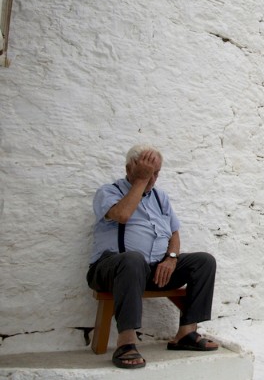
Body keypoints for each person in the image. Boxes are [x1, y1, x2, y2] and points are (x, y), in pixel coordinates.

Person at [87, 144, 219, 369]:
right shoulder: (108, 192)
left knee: (204, 262)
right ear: (129, 169)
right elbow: (122, 215)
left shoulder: (160, 197)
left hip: (153, 270)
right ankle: (126, 343)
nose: (152, 179)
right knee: (132, 259)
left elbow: (174, 233)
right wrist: (140, 181)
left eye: (156, 173)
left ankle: (186, 334)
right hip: (111, 270)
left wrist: (171, 258)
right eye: (147, 172)